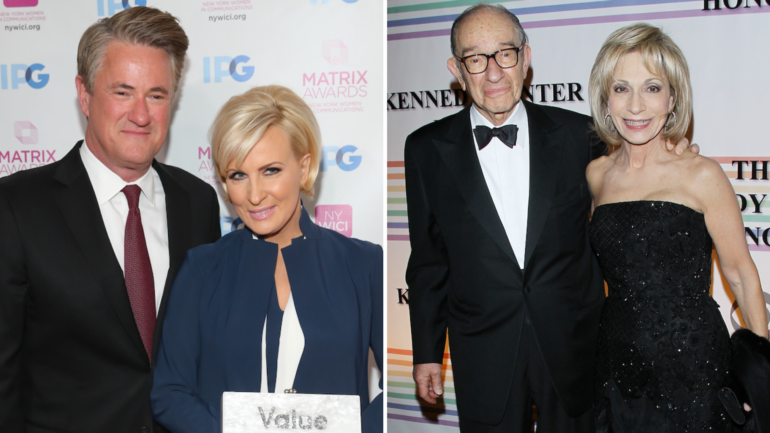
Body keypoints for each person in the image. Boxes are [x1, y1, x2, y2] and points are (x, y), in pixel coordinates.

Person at [404, 5, 695, 433]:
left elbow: (636, 185)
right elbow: (429, 262)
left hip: (574, 348)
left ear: (526, 58)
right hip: (483, 354)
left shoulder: (585, 137)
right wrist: (427, 352)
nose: (493, 72)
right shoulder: (425, 149)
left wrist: (677, 157)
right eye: (475, 59)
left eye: (505, 53)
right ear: (457, 69)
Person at [0, 7, 221, 433]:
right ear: (84, 95)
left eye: (156, 95)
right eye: (123, 92)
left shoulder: (198, 202)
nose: (141, 115)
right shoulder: (17, 207)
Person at [150, 85, 383, 433]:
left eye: (270, 170)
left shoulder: (363, 264)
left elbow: (398, 383)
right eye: (238, 175)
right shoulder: (201, 268)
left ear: (304, 169)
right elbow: (169, 392)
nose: (255, 195)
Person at [586, 23, 768, 432]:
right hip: (617, 364)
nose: (635, 106)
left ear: (673, 98)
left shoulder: (701, 174)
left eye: (652, 88)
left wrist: (761, 372)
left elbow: (740, 275)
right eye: (621, 88)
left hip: (693, 369)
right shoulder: (596, 175)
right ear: (605, 97)